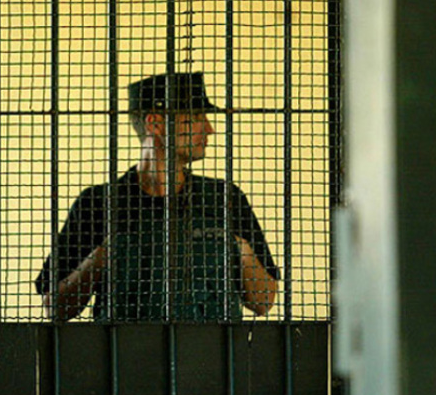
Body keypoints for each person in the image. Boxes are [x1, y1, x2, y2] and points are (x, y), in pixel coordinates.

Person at [35, 72, 279, 321]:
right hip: (127, 345)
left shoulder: (223, 197)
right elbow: (54, 307)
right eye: (195, 118)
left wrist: (237, 247)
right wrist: (102, 257)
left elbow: (264, 302)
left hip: (212, 345)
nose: (209, 129)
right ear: (155, 123)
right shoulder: (98, 203)